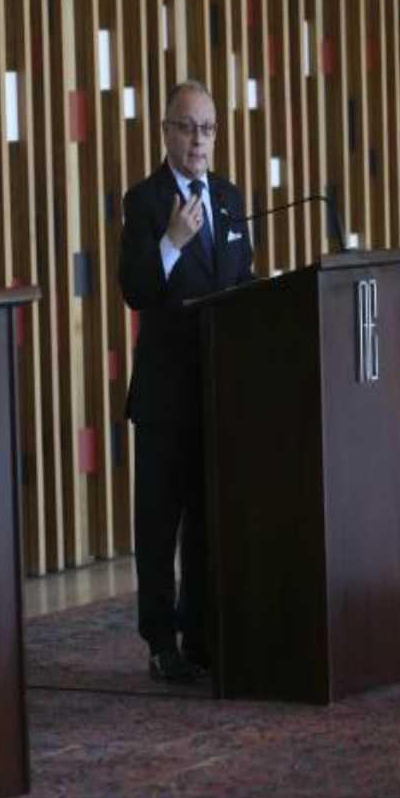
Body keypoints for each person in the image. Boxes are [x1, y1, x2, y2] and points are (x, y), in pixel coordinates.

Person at [119, 80, 256, 684]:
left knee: (207, 519)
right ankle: (160, 641)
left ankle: (201, 633)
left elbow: (243, 274)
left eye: (206, 128)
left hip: (220, 389)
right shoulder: (145, 202)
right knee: (159, 523)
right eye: (187, 127)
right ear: (166, 132)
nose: (198, 140)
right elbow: (134, 288)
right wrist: (170, 244)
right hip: (165, 395)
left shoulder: (227, 198)